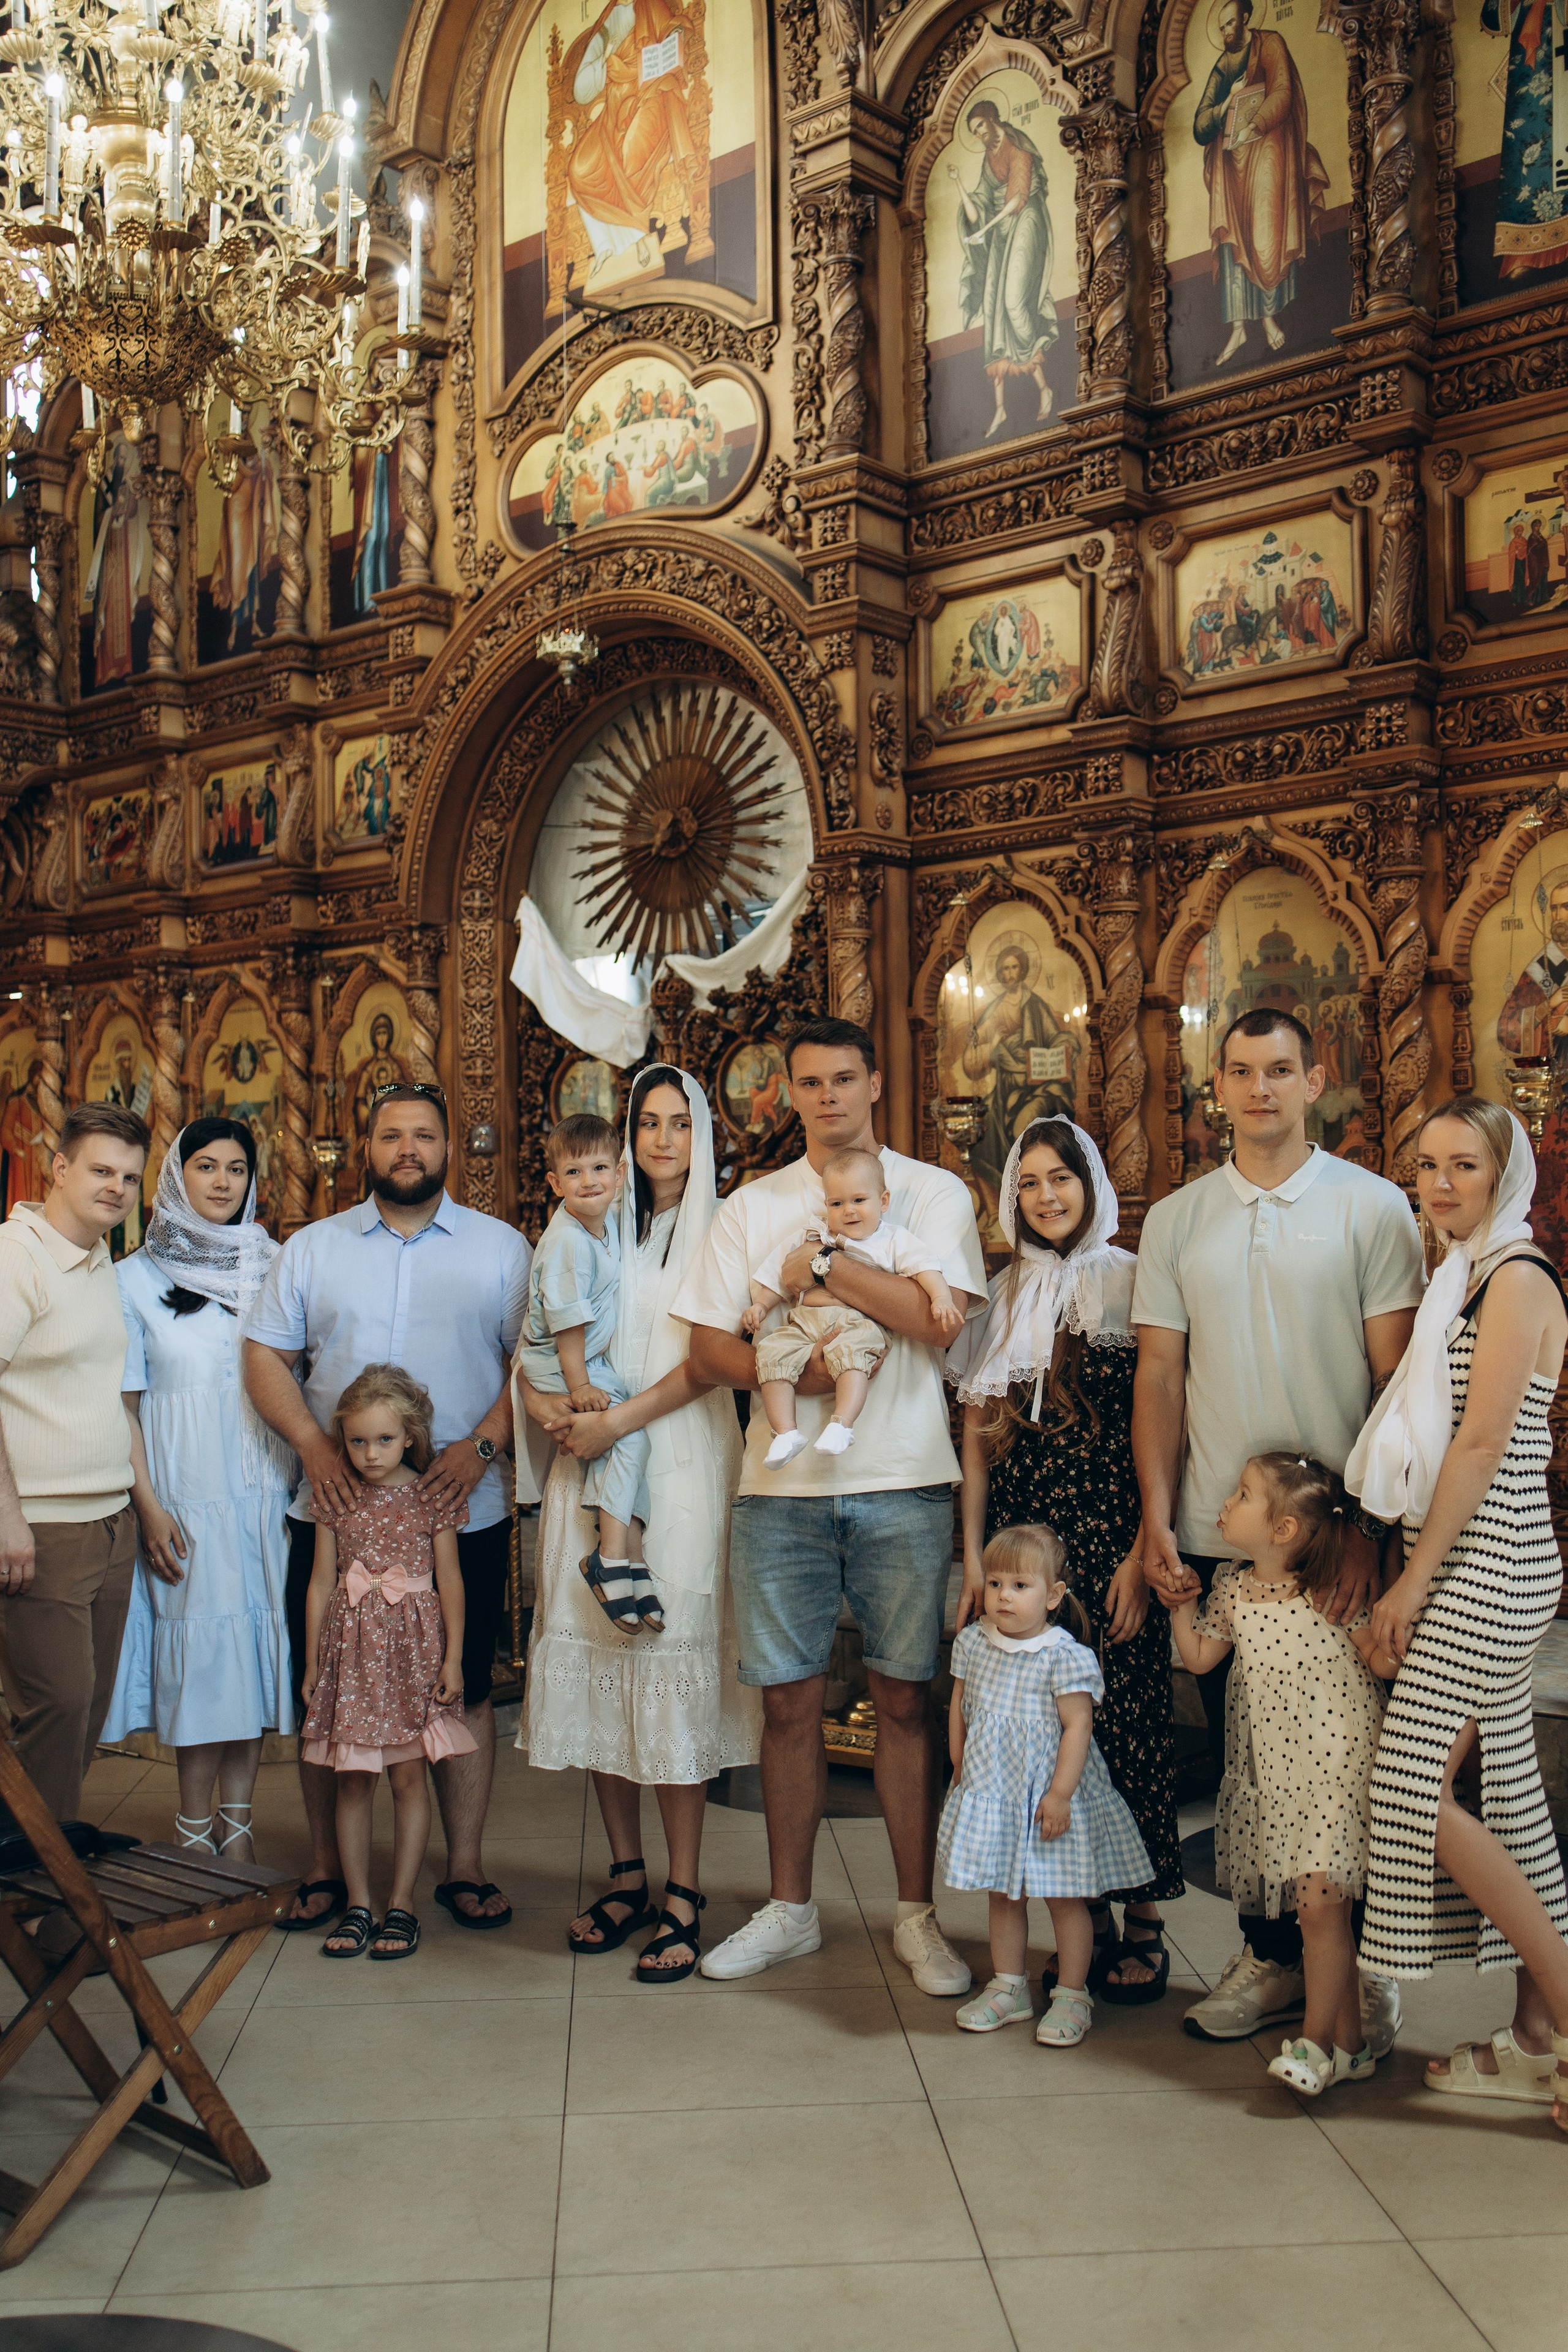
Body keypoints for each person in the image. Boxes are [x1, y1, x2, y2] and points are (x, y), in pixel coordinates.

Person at [675, 1018, 987, 1992]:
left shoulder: (931, 1194)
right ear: (791, 1094)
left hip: (900, 1478)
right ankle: (790, 1909)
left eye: (844, 1078)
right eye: (808, 1084)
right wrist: (810, 1370)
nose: (827, 1098)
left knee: (904, 1698)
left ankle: (917, 1915)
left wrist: (820, 1267)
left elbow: (930, 1323)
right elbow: (707, 1353)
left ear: (876, 1081)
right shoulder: (748, 1206)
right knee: (786, 1705)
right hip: (780, 1491)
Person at [1131, 1006, 1422, 2048]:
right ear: (1220, 1087)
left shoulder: (1373, 1206)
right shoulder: (1176, 1219)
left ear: (1316, 1080)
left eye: (1281, 1070)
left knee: (1350, 1769)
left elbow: (1395, 1381)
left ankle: (1360, 1972)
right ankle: (1269, 1961)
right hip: (1226, 1530)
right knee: (1254, 1767)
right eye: (1242, 1072)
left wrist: (1382, 1545)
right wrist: (1153, 1518)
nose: (1261, 1090)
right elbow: (1161, 1374)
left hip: (1339, 1538)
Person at [244, 1084, 529, 1933]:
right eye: (392, 1135)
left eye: (425, 1136)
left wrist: (479, 1446)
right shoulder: (313, 1248)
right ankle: (330, 1869)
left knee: (463, 1686)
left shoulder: (501, 1249)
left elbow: (534, 1364)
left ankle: (464, 1865)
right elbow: (264, 1355)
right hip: (333, 1507)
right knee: (328, 1690)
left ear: (450, 1148)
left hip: (457, 1507)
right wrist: (315, 1444)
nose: (409, 1149)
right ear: (367, 1148)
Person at [1349, 1100, 1568, 2135]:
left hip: (1494, 1558)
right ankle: (1534, 2043)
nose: (1441, 1184)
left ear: (1503, 1174)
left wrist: (1410, 1582)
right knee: (1511, 1802)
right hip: (1476, 1558)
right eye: (1427, 1164)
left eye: (1464, 1165)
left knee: (1409, 1790)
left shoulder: (1518, 1279)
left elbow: (1480, 1449)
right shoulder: (1464, 1275)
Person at [518, 1066, 761, 1981]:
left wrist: (617, 1420)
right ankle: (625, 1877)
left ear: (703, 1135)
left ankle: (685, 1890)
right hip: (594, 1458)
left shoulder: (724, 1227)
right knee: (599, 1671)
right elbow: (544, 1327)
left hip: (684, 1462)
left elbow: (711, 1362)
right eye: (646, 1124)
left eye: (678, 1123)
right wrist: (551, 1410)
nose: (662, 1140)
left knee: (667, 1668)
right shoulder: (593, 1220)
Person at [952, 1119, 1183, 2003]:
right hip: (1025, 1547)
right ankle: (1075, 1914)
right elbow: (978, 1442)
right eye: (1031, 1185)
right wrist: (975, 1557)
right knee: (1046, 1733)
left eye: (1063, 1180)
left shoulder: (1133, 1282)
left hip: (1113, 1537)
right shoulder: (1001, 1294)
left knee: (1124, 1721)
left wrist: (1140, 1552)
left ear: (1092, 1185)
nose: (1047, 1198)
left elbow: (1164, 1424)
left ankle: (1147, 1922)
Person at [1165, 1454, 1393, 2097]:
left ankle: (1316, 2045)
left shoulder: (1328, 1593)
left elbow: (1377, 1661)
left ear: (1285, 1529)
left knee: (1320, 1910)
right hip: (1276, 1777)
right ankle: (1350, 2047)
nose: (1226, 1502)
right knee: (1317, 1913)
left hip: (1337, 1769)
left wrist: (1398, 1622)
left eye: (1242, 1495)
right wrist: (1179, 1603)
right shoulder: (1234, 1588)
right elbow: (1200, 1656)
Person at [102, 1120, 296, 1858]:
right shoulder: (132, 1278)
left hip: (265, 1492)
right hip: (182, 1496)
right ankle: (191, 1830)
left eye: (237, 1168)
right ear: (177, 1177)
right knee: (201, 1662)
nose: (222, 1182)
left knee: (247, 1660)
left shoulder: (276, 1265)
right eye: (206, 1166)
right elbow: (123, 1405)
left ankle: (239, 1828)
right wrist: (148, 1506)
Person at [938, 1523, 1152, 2048]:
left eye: (1020, 1586)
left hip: (1047, 1797)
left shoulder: (1064, 1655)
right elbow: (958, 1705)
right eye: (994, 1584)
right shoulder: (973, 1641)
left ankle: (1073, 1995)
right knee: (1003, 1894)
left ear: (1054, 1595)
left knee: (1063, 1896)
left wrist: (1059, 1795)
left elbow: (1078, 1727)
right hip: (994, 1789)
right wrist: (958, 1760)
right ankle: (1009, 1986)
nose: (1002, 1596)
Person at [0, 1103, 148, 1828]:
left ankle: (43, 1883)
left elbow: (107, 1397)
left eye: (129, 1177)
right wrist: (6, 1519)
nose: (117, 1189)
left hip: (108, 1522)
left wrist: (139, 1507)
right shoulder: (15, 1255)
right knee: (53, 1707)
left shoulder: (98, 1263)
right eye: (100, 1170)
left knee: (83, 1709)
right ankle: (39, 1900)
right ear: (59, 1169)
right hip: (42, 1526)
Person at [300, 1365, 473, 1961]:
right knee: (352, 1780)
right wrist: (313, 1666)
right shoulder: (336, 1497)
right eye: (356, 1441)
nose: (369, 1454)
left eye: (384, 1440)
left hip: (413, 1655)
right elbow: (322, 1581)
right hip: (351, 1658)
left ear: (410, 1438)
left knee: (408, 1778)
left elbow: (449, 1580)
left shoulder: (430, 1498)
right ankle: (358, 1904)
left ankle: (402, 1904)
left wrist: (452, 1658)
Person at [515, 1114, 655, 1634]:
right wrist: (580, 1388)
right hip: (562, 1363)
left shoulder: (603, 1219)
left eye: (600, 1168)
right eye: (574, 1173)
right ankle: (612, 1558)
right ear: (554, 1183)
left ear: (620, 1174)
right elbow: (567, 1326)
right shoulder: (568, 1242)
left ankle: (630, 1557)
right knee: (630, 1440)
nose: (589, 1181)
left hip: (587, 1362)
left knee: (632, 1444)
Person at [744, 1144, 963, 1467]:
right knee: (771, 1353)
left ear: (883, 1201)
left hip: (857, 1322)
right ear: (826, 1205)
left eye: (859, 1201)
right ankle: (786, 1432)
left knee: (851, 1354)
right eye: (837, 1203)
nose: (848, 1211)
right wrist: (761, 1306)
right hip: (804, 1322)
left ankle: (842, 1424)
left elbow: (924, 1267)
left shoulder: (891, 1240)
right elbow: (778, 1272)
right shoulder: (813, 1234)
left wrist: (941, 1297)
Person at [1191, 0, 1328, 367]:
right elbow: (1200, 124)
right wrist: (1226, 106)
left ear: (1246, 19)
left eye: (1230, 25)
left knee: (1266, 231)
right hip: (1228, 159)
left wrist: (1256, 124)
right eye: (1220, 28)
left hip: (1268, 145)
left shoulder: (1270, 44)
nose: (1224, 33)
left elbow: (1283, 91)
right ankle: (1238, 327)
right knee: (1232, 237)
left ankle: (1269, 317)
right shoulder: (1222, 67)